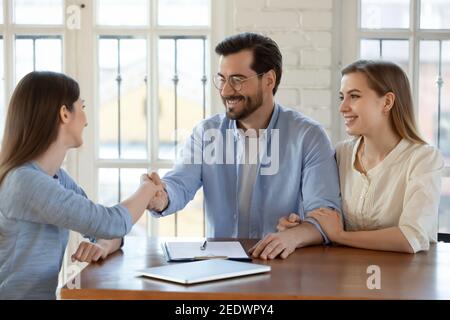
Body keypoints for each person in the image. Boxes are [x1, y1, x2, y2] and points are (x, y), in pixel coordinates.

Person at [147, 32, 342, 260]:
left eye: (237, 80)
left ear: (269, 80)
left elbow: (326, 214)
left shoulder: (308, 136)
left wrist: (295, 234)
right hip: (220, 269)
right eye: (222, 79)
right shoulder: (206, 134)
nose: (226, 91)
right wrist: (162, 197)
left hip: (283, 266)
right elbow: (179, 183)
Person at [0, 71, 163, 300]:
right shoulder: (25, 182)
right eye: (82, 106)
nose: (86, 119)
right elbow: (111, 222)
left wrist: (104, 245)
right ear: (64, 113)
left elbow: (102, 229)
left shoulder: (55, 177)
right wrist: (147, 189)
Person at [278, 60, 444, 254]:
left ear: (387, 102)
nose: (343, 107)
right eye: (342, 97)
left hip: (405, 278)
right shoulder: (341, 154)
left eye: (354, 96)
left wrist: (340, 236)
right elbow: (325, 216)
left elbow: (411, 237)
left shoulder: (423, 159)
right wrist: (301, 226)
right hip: (348, 277)